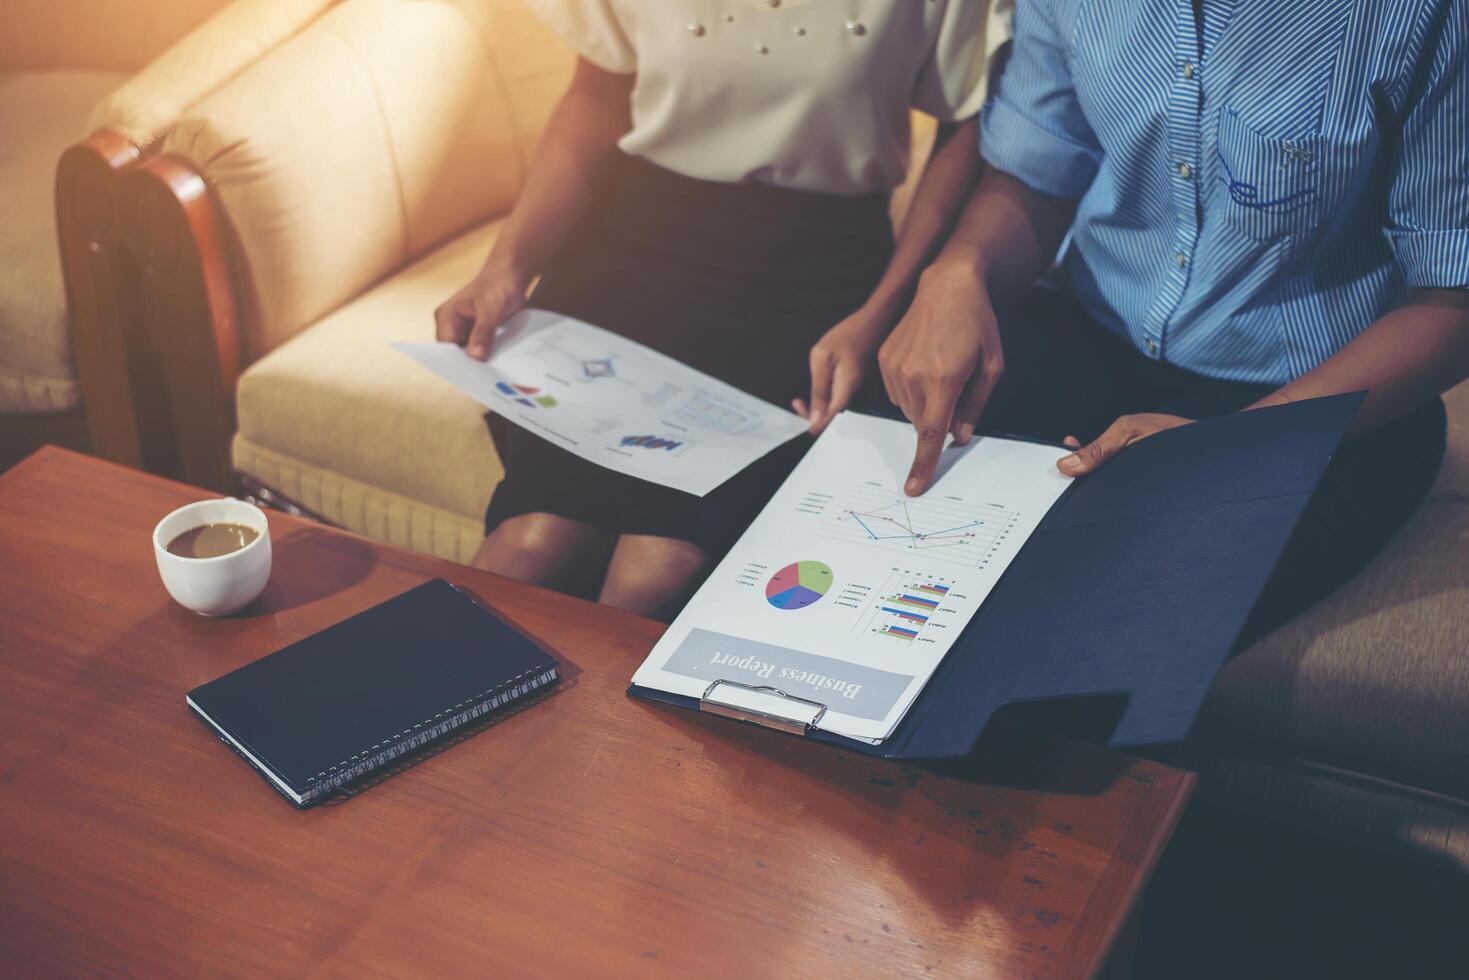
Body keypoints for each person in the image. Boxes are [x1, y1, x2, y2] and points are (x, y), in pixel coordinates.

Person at [834, 0, 1469, 642]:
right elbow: (1039, 172)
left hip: (1321, 398)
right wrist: (959, 269)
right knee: (873, 534)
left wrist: (1231, 447)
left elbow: (1452, 294)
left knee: (1091, 632)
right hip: (1088, 330)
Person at [435, 2, 1007, 619]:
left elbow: (967, 128)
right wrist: (506, 266)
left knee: (655, 571)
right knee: (529, 544)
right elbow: (596, 95)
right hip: (629, 247)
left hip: (812, 277)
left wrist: (885, 309)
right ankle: (413, 713)